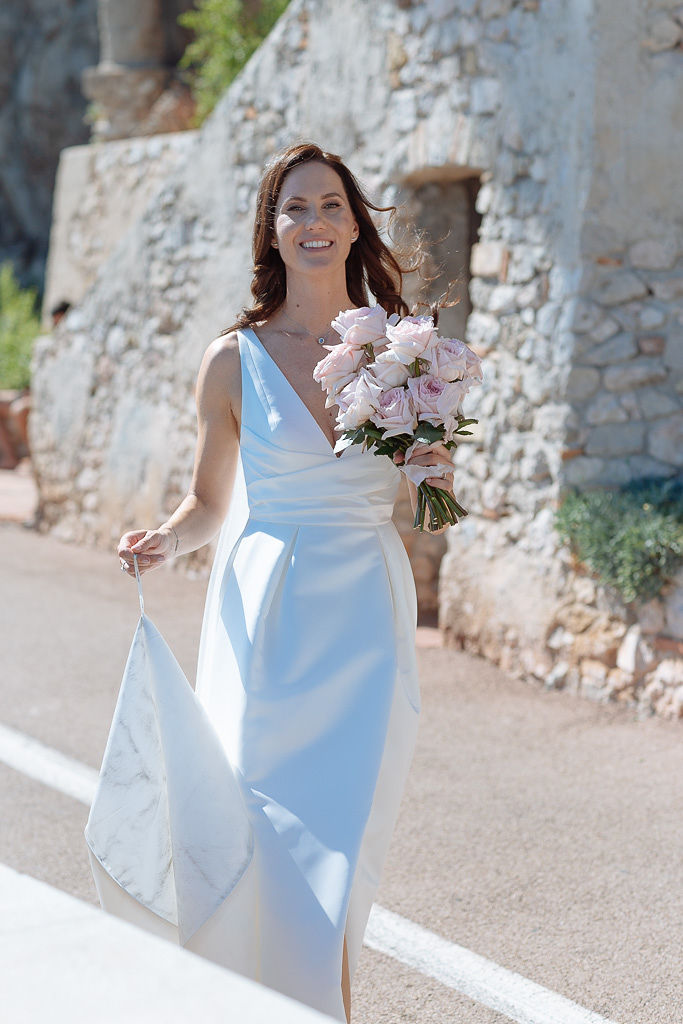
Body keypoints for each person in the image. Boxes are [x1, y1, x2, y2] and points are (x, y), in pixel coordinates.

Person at [116, 142, 456, 1023]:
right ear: (271, 230)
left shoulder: (404, 354)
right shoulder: (232, 360)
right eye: (295, 207)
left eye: (331, 205)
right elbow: (207, 503)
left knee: (336, 849)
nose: (315, 222)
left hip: (364, 619)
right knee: (257, 835)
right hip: (263, 621)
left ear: (354, 225)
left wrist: (435, 478)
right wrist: (164, 541)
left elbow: (427, 519)